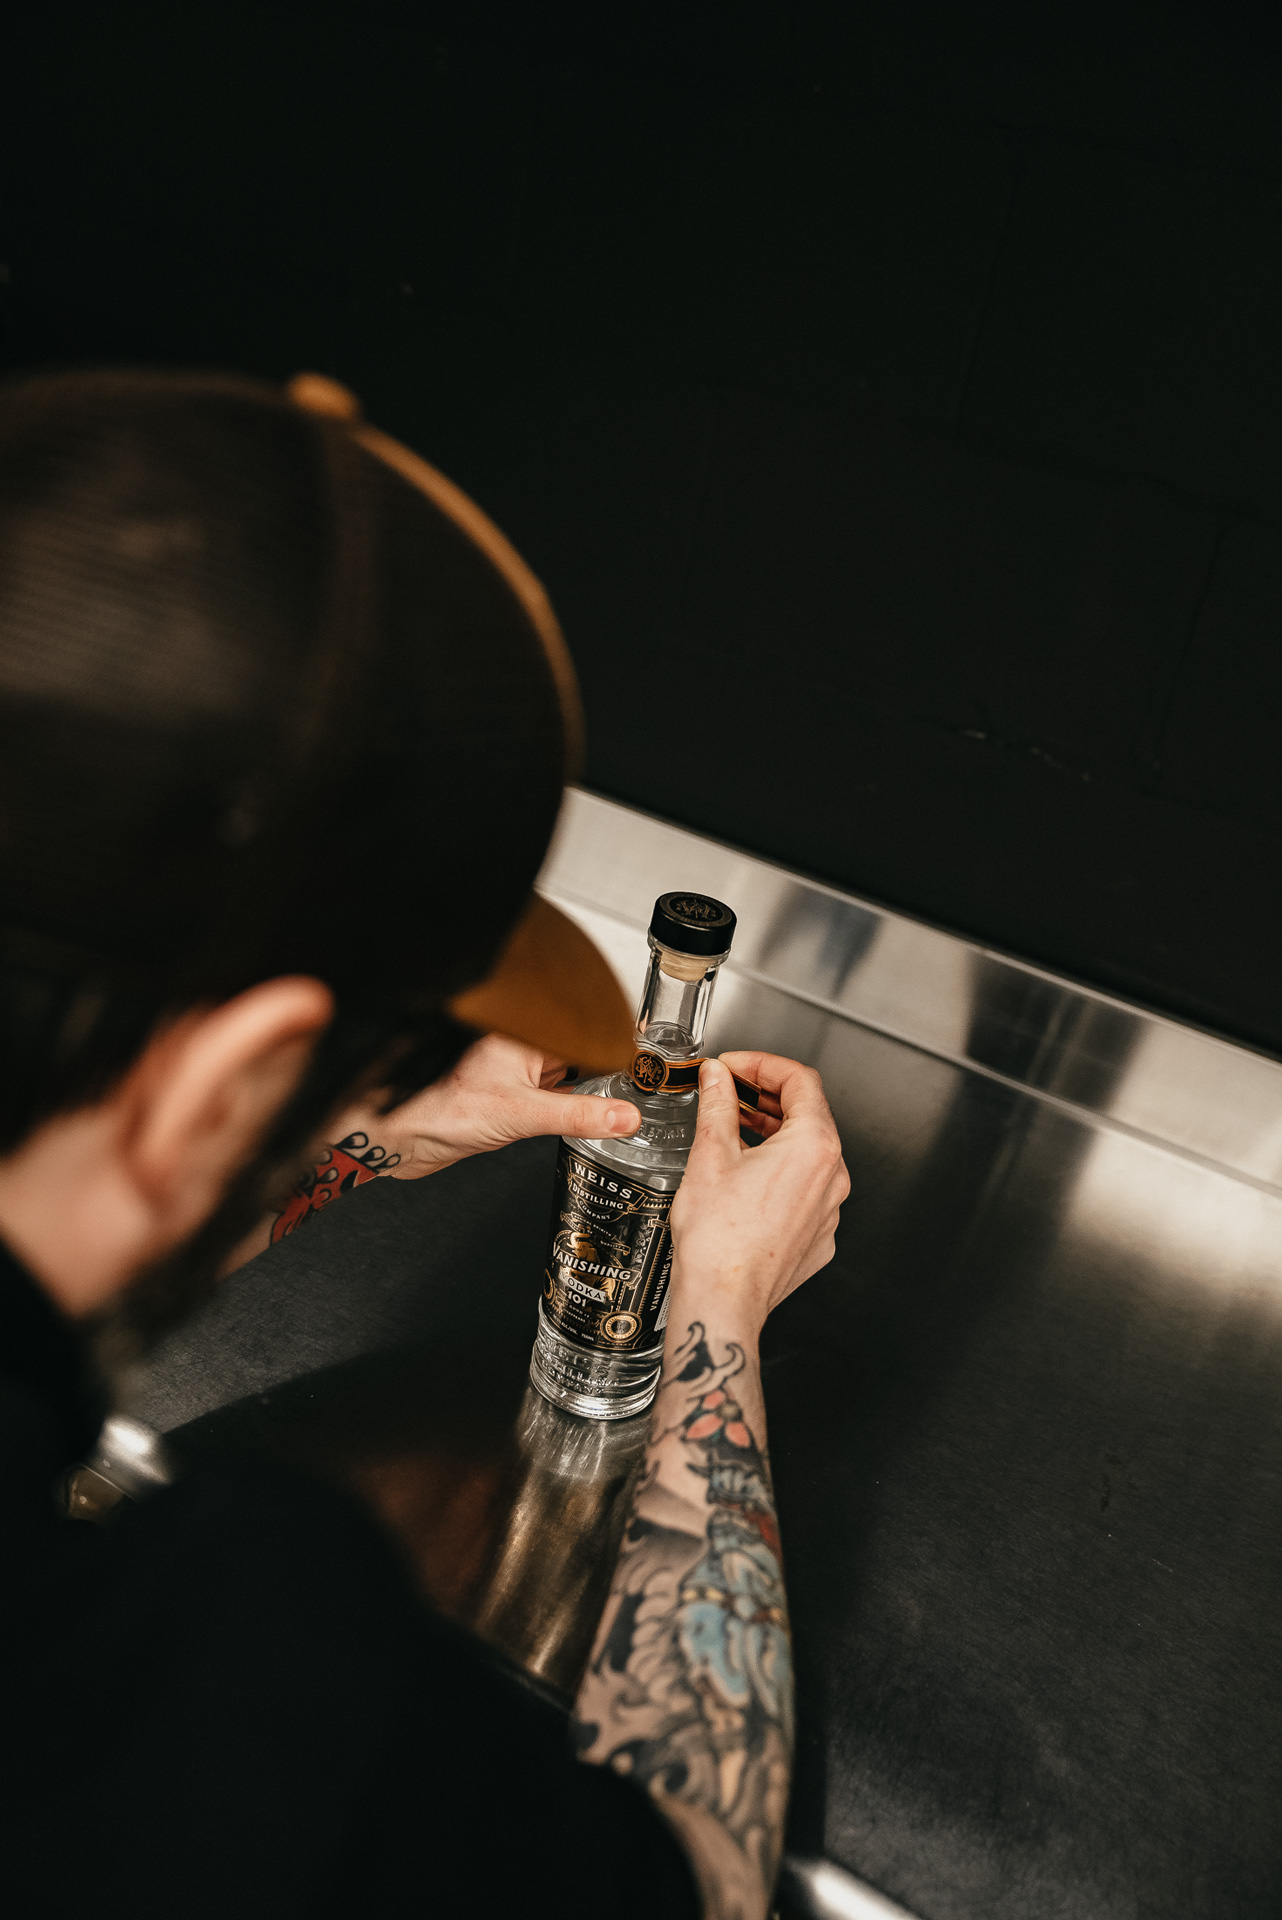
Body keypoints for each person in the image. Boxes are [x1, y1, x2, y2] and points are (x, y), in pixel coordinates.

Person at [0, 368, 848, 1920]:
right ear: (218, 1089)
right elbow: (699, 1882)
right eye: (320, 1091)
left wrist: (362, 1143)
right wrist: (719, 1307)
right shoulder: (208, 1661)